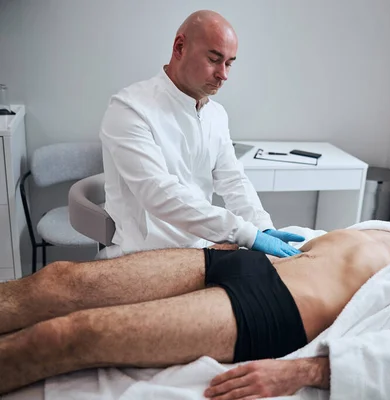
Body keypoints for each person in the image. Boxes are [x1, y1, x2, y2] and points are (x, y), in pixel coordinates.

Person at [0, 223, 390, 397]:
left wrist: (301, 372)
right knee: (57, 282)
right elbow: (327, 246)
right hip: (248, 262)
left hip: (272, 308)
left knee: (72, 336)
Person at [99, 10, 302, 258]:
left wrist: (262, 226)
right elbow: (158, 193)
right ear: (180, 47)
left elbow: (233, 180)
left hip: (203, 249)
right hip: (146, 255)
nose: (223, 74)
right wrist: (245, 233)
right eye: (214, 59)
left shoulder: (216, 114)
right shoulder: (130, 109)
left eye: (229, 63)